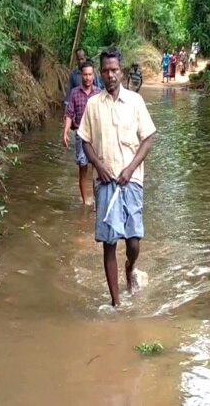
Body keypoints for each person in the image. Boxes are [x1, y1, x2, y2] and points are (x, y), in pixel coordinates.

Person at [78, 48, 156, 307]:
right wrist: (98, 166)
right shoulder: (93, 105)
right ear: (100, 74)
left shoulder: (135, 102)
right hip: (105, 183)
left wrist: (131, 168)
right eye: (106, 70)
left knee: (134, 241)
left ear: (121, 72)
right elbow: (86, 141)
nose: (110, 75)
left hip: (131, 181)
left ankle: (130, 267)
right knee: (109, 243)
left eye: (114, 70)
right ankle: (116, 303)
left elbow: (148, 139)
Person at [63, 61, 100, 207]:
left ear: (93, 75)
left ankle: (97, 204)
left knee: (97, 170)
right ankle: (85, 203)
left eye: (90, 74)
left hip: (97, 135)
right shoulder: (75, 93)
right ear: (81, 76)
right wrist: (65, 131)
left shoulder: (98, 93)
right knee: (83, 169)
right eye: (85, 74)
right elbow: (69, 114)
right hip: (80, 134)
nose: (87, 77)